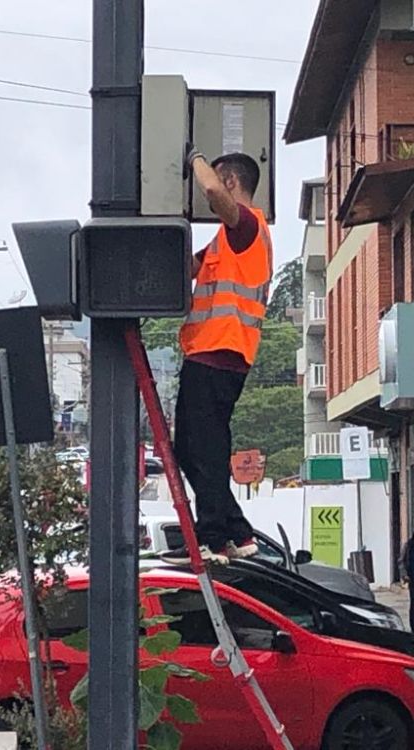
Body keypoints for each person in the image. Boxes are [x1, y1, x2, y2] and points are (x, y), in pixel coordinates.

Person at [162, 148, 272, 566]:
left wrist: (194, 156)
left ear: (230, 183)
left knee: (203, 448)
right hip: (213, 353)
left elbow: (208, 185)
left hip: (219, 352)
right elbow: (189, 267)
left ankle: (215, 535)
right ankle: (235, 530)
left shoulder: (246, 226)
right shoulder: (226, 240)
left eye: (217, 180)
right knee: (188, 450)